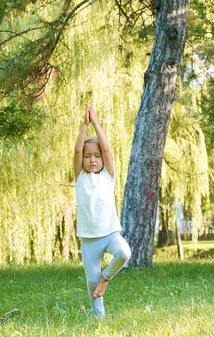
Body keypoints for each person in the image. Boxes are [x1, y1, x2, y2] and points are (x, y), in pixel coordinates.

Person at [74, 103, 131, 318]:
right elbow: (77, 149)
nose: (92, 160)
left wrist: (95, 123)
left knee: (124, 253)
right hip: (89, 239)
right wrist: (83, 124)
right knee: (90, 281)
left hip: (109, 234)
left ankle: (105, 279)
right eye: (88, 157)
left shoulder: (108, 177)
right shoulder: (80, 178)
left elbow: (107, 148)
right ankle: (99, 319)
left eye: (96, 156)